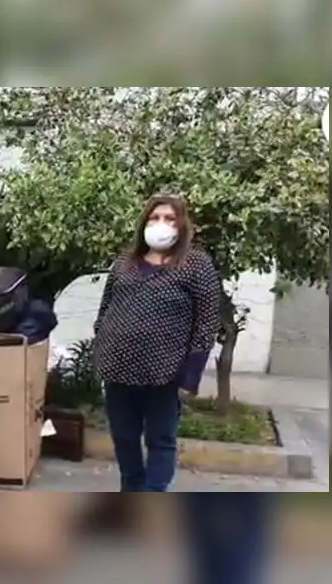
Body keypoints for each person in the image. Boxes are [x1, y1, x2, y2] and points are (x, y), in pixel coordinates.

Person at [92, 194, 221, 492]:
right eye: (154, 217)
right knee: (124, 438)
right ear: (144, 223)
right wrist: (101, 343)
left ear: (181, 225)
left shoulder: (196, 265)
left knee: (160, 439)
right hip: (117, 368)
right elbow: (106, 307)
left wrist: (191, 374)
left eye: (169, 218)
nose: (160, 224)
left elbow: (206, 322)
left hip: (164, 372)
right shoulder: (126, 262)